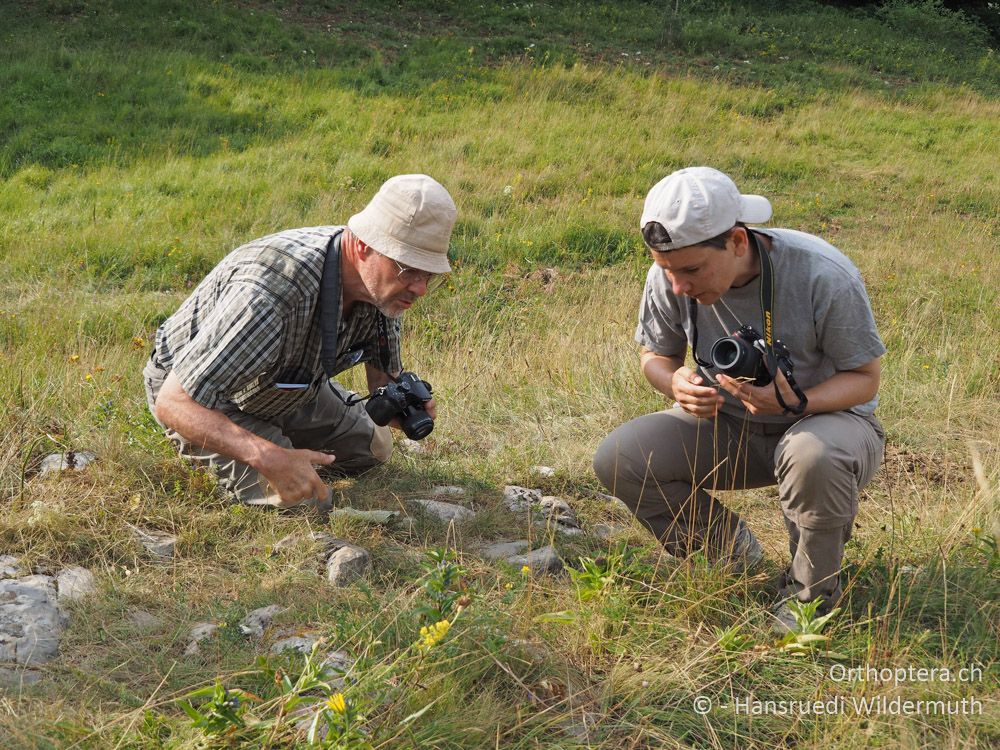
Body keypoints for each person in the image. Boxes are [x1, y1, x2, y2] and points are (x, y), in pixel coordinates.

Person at [593, 167, 886, 631]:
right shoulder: (669, 274)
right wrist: (674, 384)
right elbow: (655, 354)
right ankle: (729, 555)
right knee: (621, 458)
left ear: (736, 241)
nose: (678, 286)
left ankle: (810, 600)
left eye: (690, 270)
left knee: (811, 456)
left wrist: (796, 402)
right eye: (666, 269)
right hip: (730, 427)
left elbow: (865, 379)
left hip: (830, 424)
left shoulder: (822, 273)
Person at [143, 174, 456, 510]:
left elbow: (384, 378)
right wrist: (266, 455)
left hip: (289, 386)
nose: (420, 288)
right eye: (409, 269)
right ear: (364, 246)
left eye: (429, 274)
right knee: (308, 501)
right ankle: (250, 446)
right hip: (206, 398)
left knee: (376, 448)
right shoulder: (271, 294)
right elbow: (174, 402)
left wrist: (399, 402)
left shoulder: (383, 289)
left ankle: (278, 438)